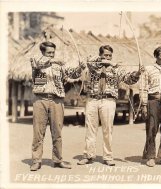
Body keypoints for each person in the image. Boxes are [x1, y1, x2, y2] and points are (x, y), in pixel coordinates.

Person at [77, 45, 143, 166]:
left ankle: (108, 156)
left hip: (108, 100)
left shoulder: (116, 69)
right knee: (90, 129)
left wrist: (138, 73)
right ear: (100, 55)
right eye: (105, 55)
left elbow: (128, 79)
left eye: (110, 56)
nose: (107, 57)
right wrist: (107, 63)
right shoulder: (93, 66)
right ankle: (88, 155)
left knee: (108, 130)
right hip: (92, 99)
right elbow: (90, 61)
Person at [30, 41, 85, 171]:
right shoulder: (36, 60)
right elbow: (39, 63)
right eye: (49, 53)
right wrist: (55, 60)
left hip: (57, 100)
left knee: (57, 132)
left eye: (53, 53)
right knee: (38, 132)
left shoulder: (58, 65)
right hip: (40, 99)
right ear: (42, 52)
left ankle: (58, 159)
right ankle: (36, 160)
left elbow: (72, 74)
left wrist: (80, 68)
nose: (52, 55)